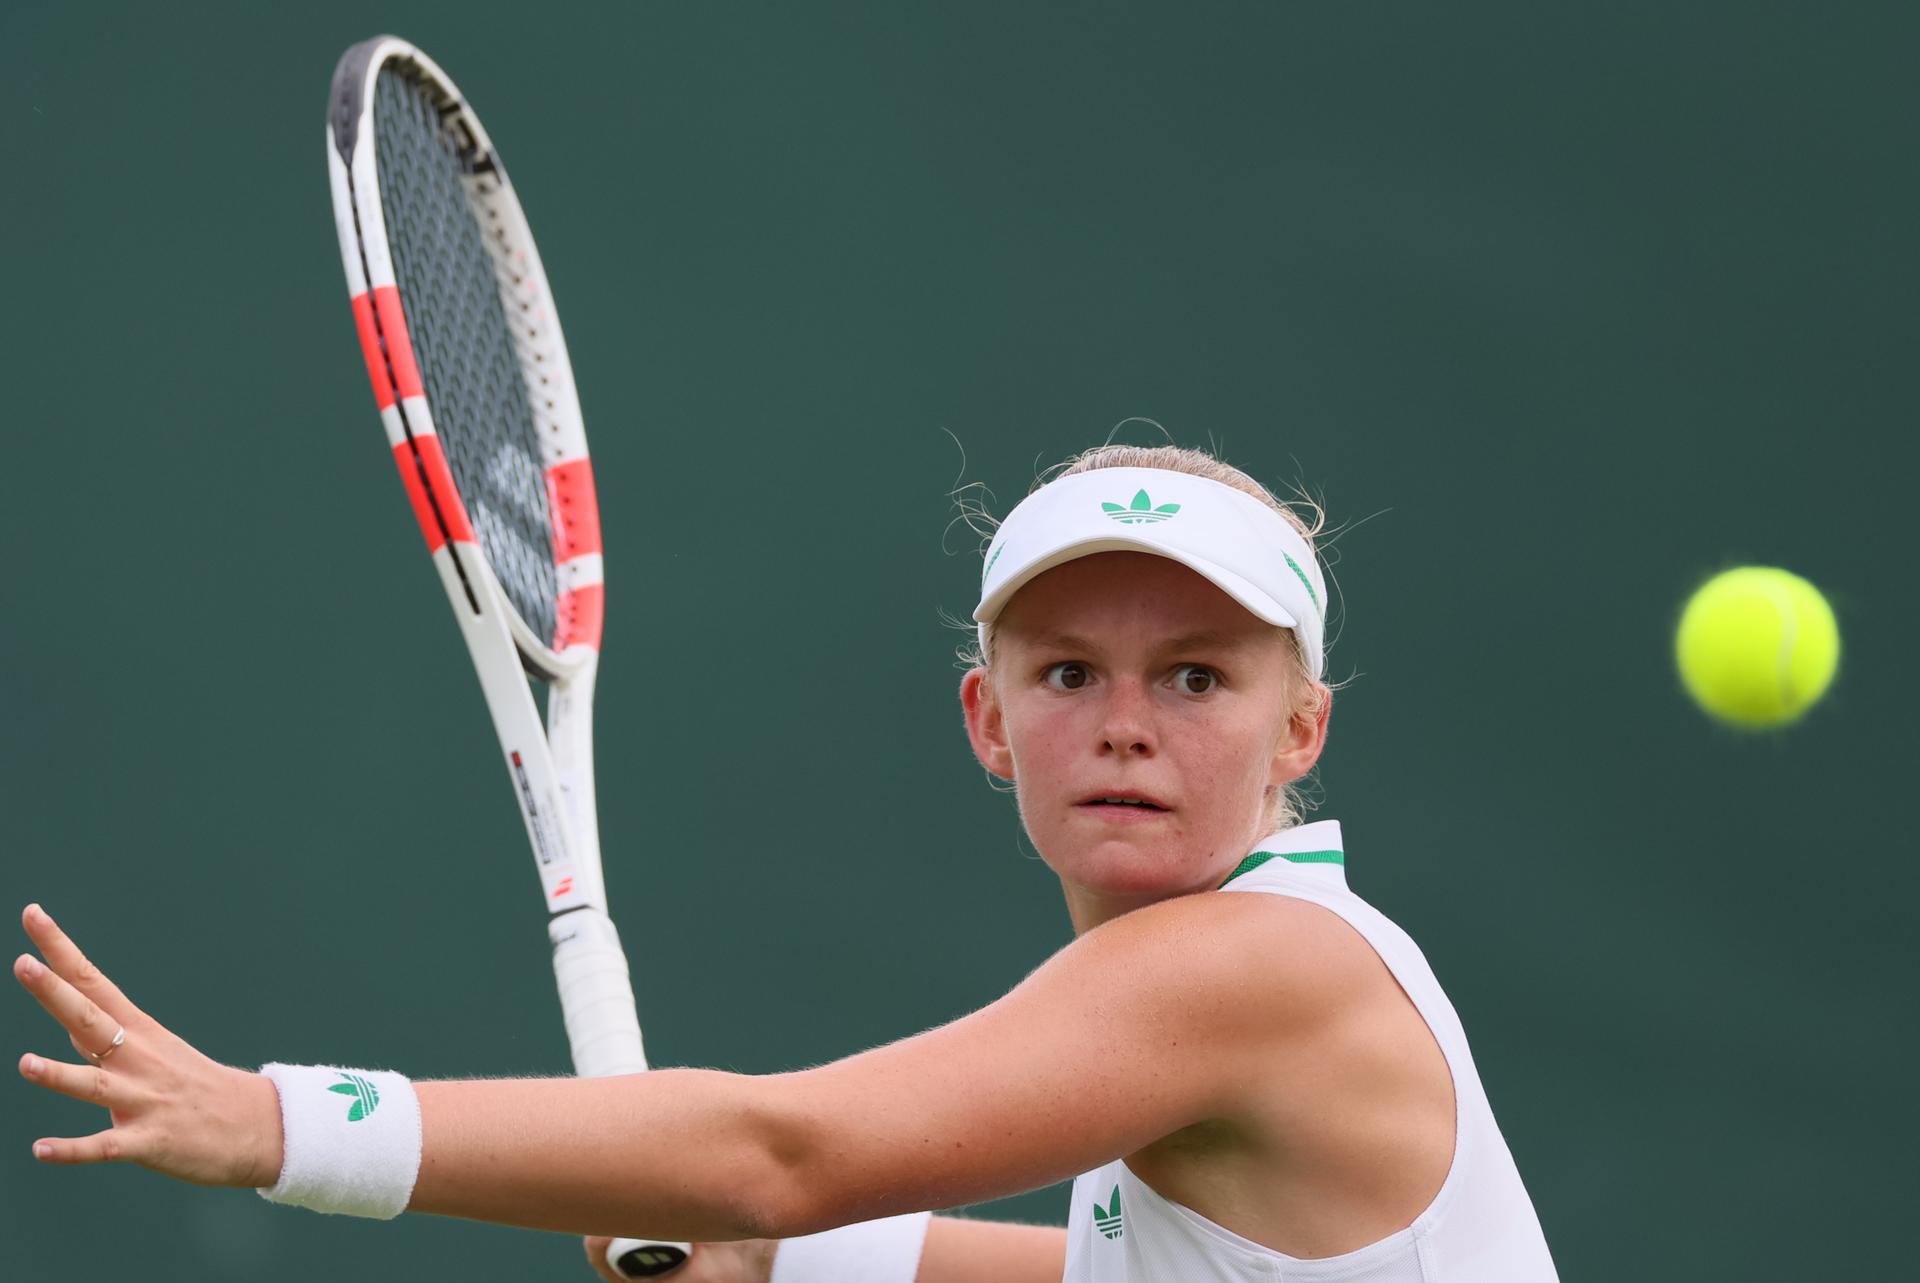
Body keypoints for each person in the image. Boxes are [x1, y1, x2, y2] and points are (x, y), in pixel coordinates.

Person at [14, 444, 1559, 1282]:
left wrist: (277, 1124)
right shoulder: (1234, 974)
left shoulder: (1251, 971)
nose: (1127, 727)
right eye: (1070, 673)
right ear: (990, 719)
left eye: (1199, 679)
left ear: (1303, 731)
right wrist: (780, 1271)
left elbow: (781, 1151)